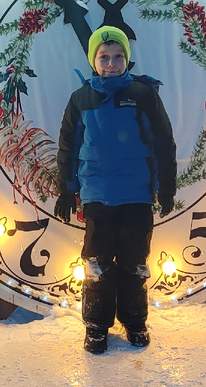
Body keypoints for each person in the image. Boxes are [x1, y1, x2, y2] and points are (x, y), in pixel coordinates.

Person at [55, 25, 176, 354]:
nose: (111, 63)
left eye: (118, 56)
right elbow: (68, 146)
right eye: (104, 57)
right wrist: (67, 189)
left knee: (135, 261)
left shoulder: (143, 95)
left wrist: (166, 187)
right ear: (94, 60)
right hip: (97, 193)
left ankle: (135, 321)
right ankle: (96, 326)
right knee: (96, 263)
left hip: (136, 192)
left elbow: (163, 142)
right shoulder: (81, 99)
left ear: (127, 59)